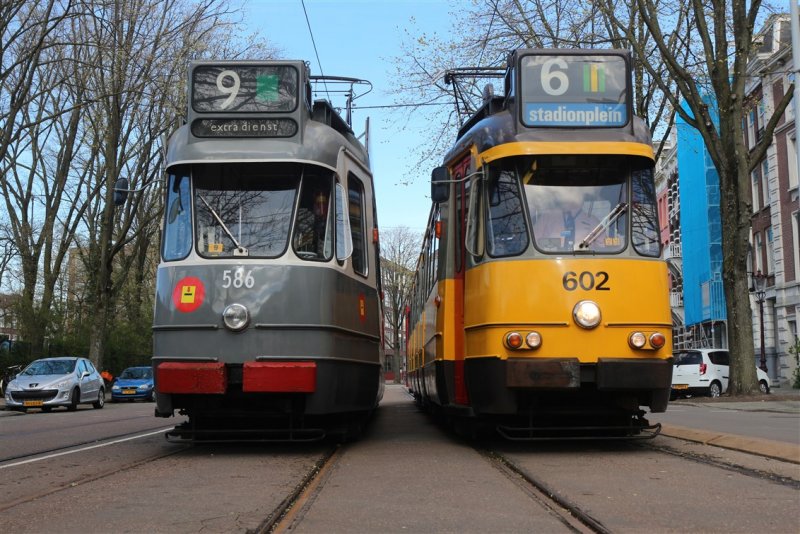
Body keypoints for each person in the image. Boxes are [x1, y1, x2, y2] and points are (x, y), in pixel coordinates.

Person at [533, 194, 600, 250]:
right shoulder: (547, 216)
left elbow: (602, 247)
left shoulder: (592, 221)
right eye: (568, 194)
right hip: (550, 258)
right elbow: (533, 241)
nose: (571, 199)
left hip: (585, 259)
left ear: (582, 199)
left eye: (575, 195)